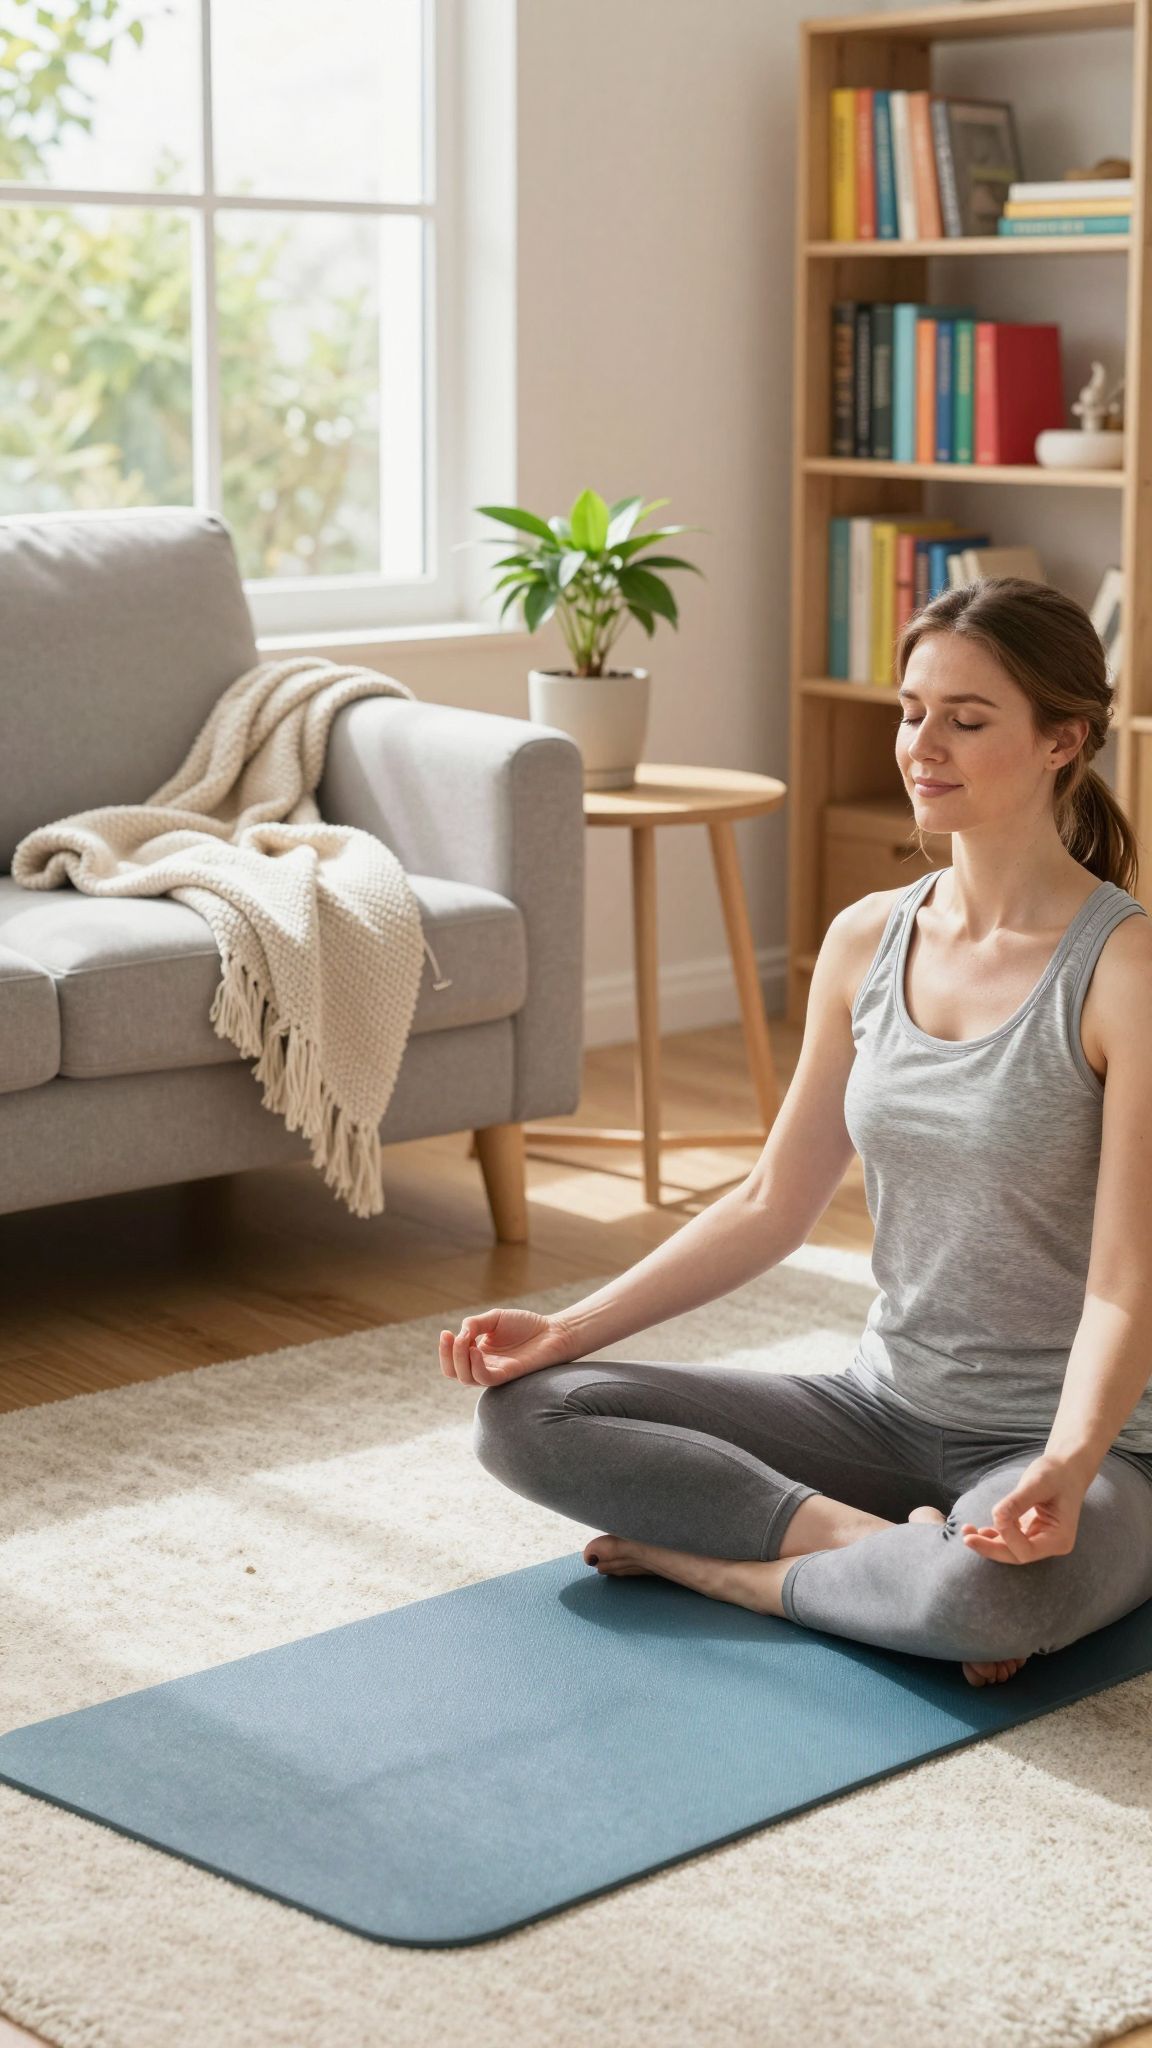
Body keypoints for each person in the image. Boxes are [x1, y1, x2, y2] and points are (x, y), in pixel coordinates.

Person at [441, 578, 1152, 1689]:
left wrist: (1065, 1464)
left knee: (987, 1590)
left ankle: (731, 1571)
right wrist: (566, 1327)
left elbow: (1126, 1278)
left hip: (1082, 1443)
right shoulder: (867, 937)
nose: (925, 745)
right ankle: (862, 1551)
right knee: (528, 1414)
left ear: (1064, 738)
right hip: (881, 1408)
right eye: (912, 710)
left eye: (968, 719)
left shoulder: (1125, 971)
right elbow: (774, 1199)